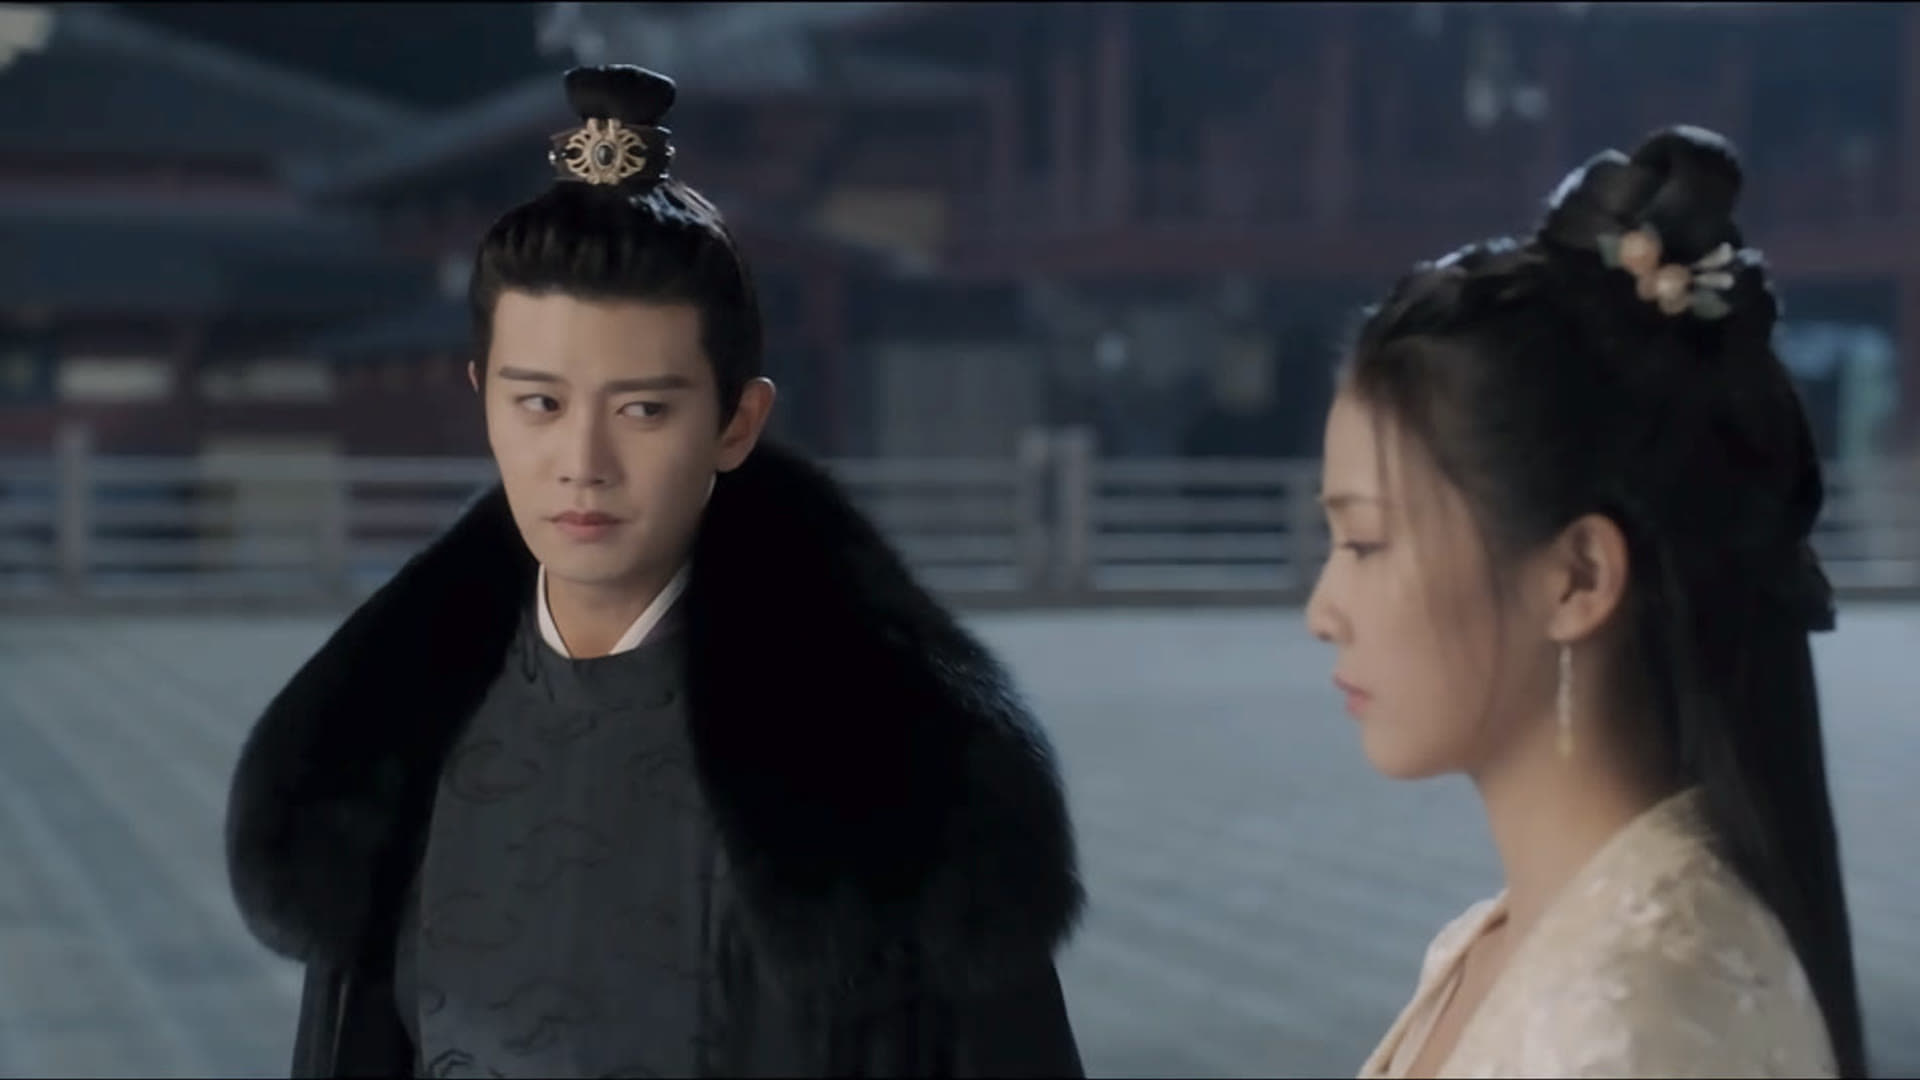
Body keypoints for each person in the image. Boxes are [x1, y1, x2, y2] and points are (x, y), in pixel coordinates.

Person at [223, 65, 1085, 1079]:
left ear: (736, 422)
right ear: (484, 398)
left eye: (643, 409)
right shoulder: (383, 740)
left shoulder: (904, 766)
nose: (582, 462)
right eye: (540, 404)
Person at [1306, 125, 1867, 1078]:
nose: (1323, 610)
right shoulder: (1503, 944)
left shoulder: (1643, 1016)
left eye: (1365, 542)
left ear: (1577, 578)